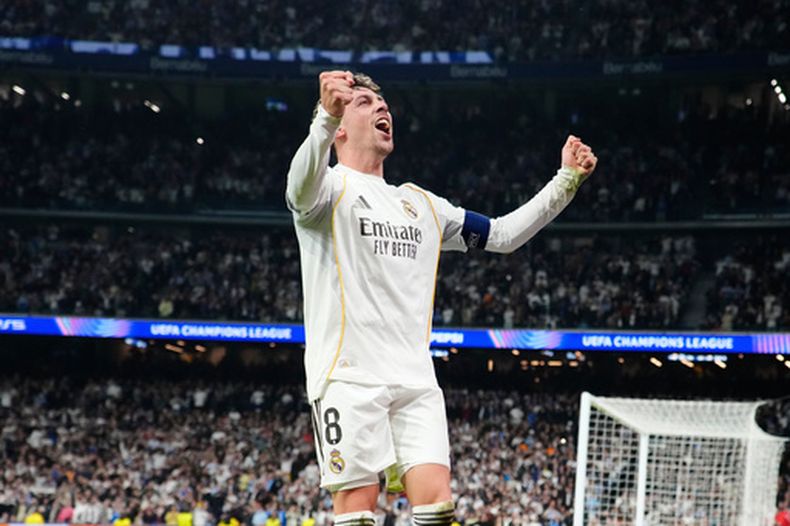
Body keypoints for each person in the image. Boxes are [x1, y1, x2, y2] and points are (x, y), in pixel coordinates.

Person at [285, 70, 597, 525]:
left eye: (383, 103)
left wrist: (565, 181)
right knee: (356, 512)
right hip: (347, 377)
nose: (382, 108)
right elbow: (297, 188)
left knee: (437, 509)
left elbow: (503, 235)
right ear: (340, 126)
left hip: (415, 380)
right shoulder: (327, 190)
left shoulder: (423, 206)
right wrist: (322, 121)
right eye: (365, 102)